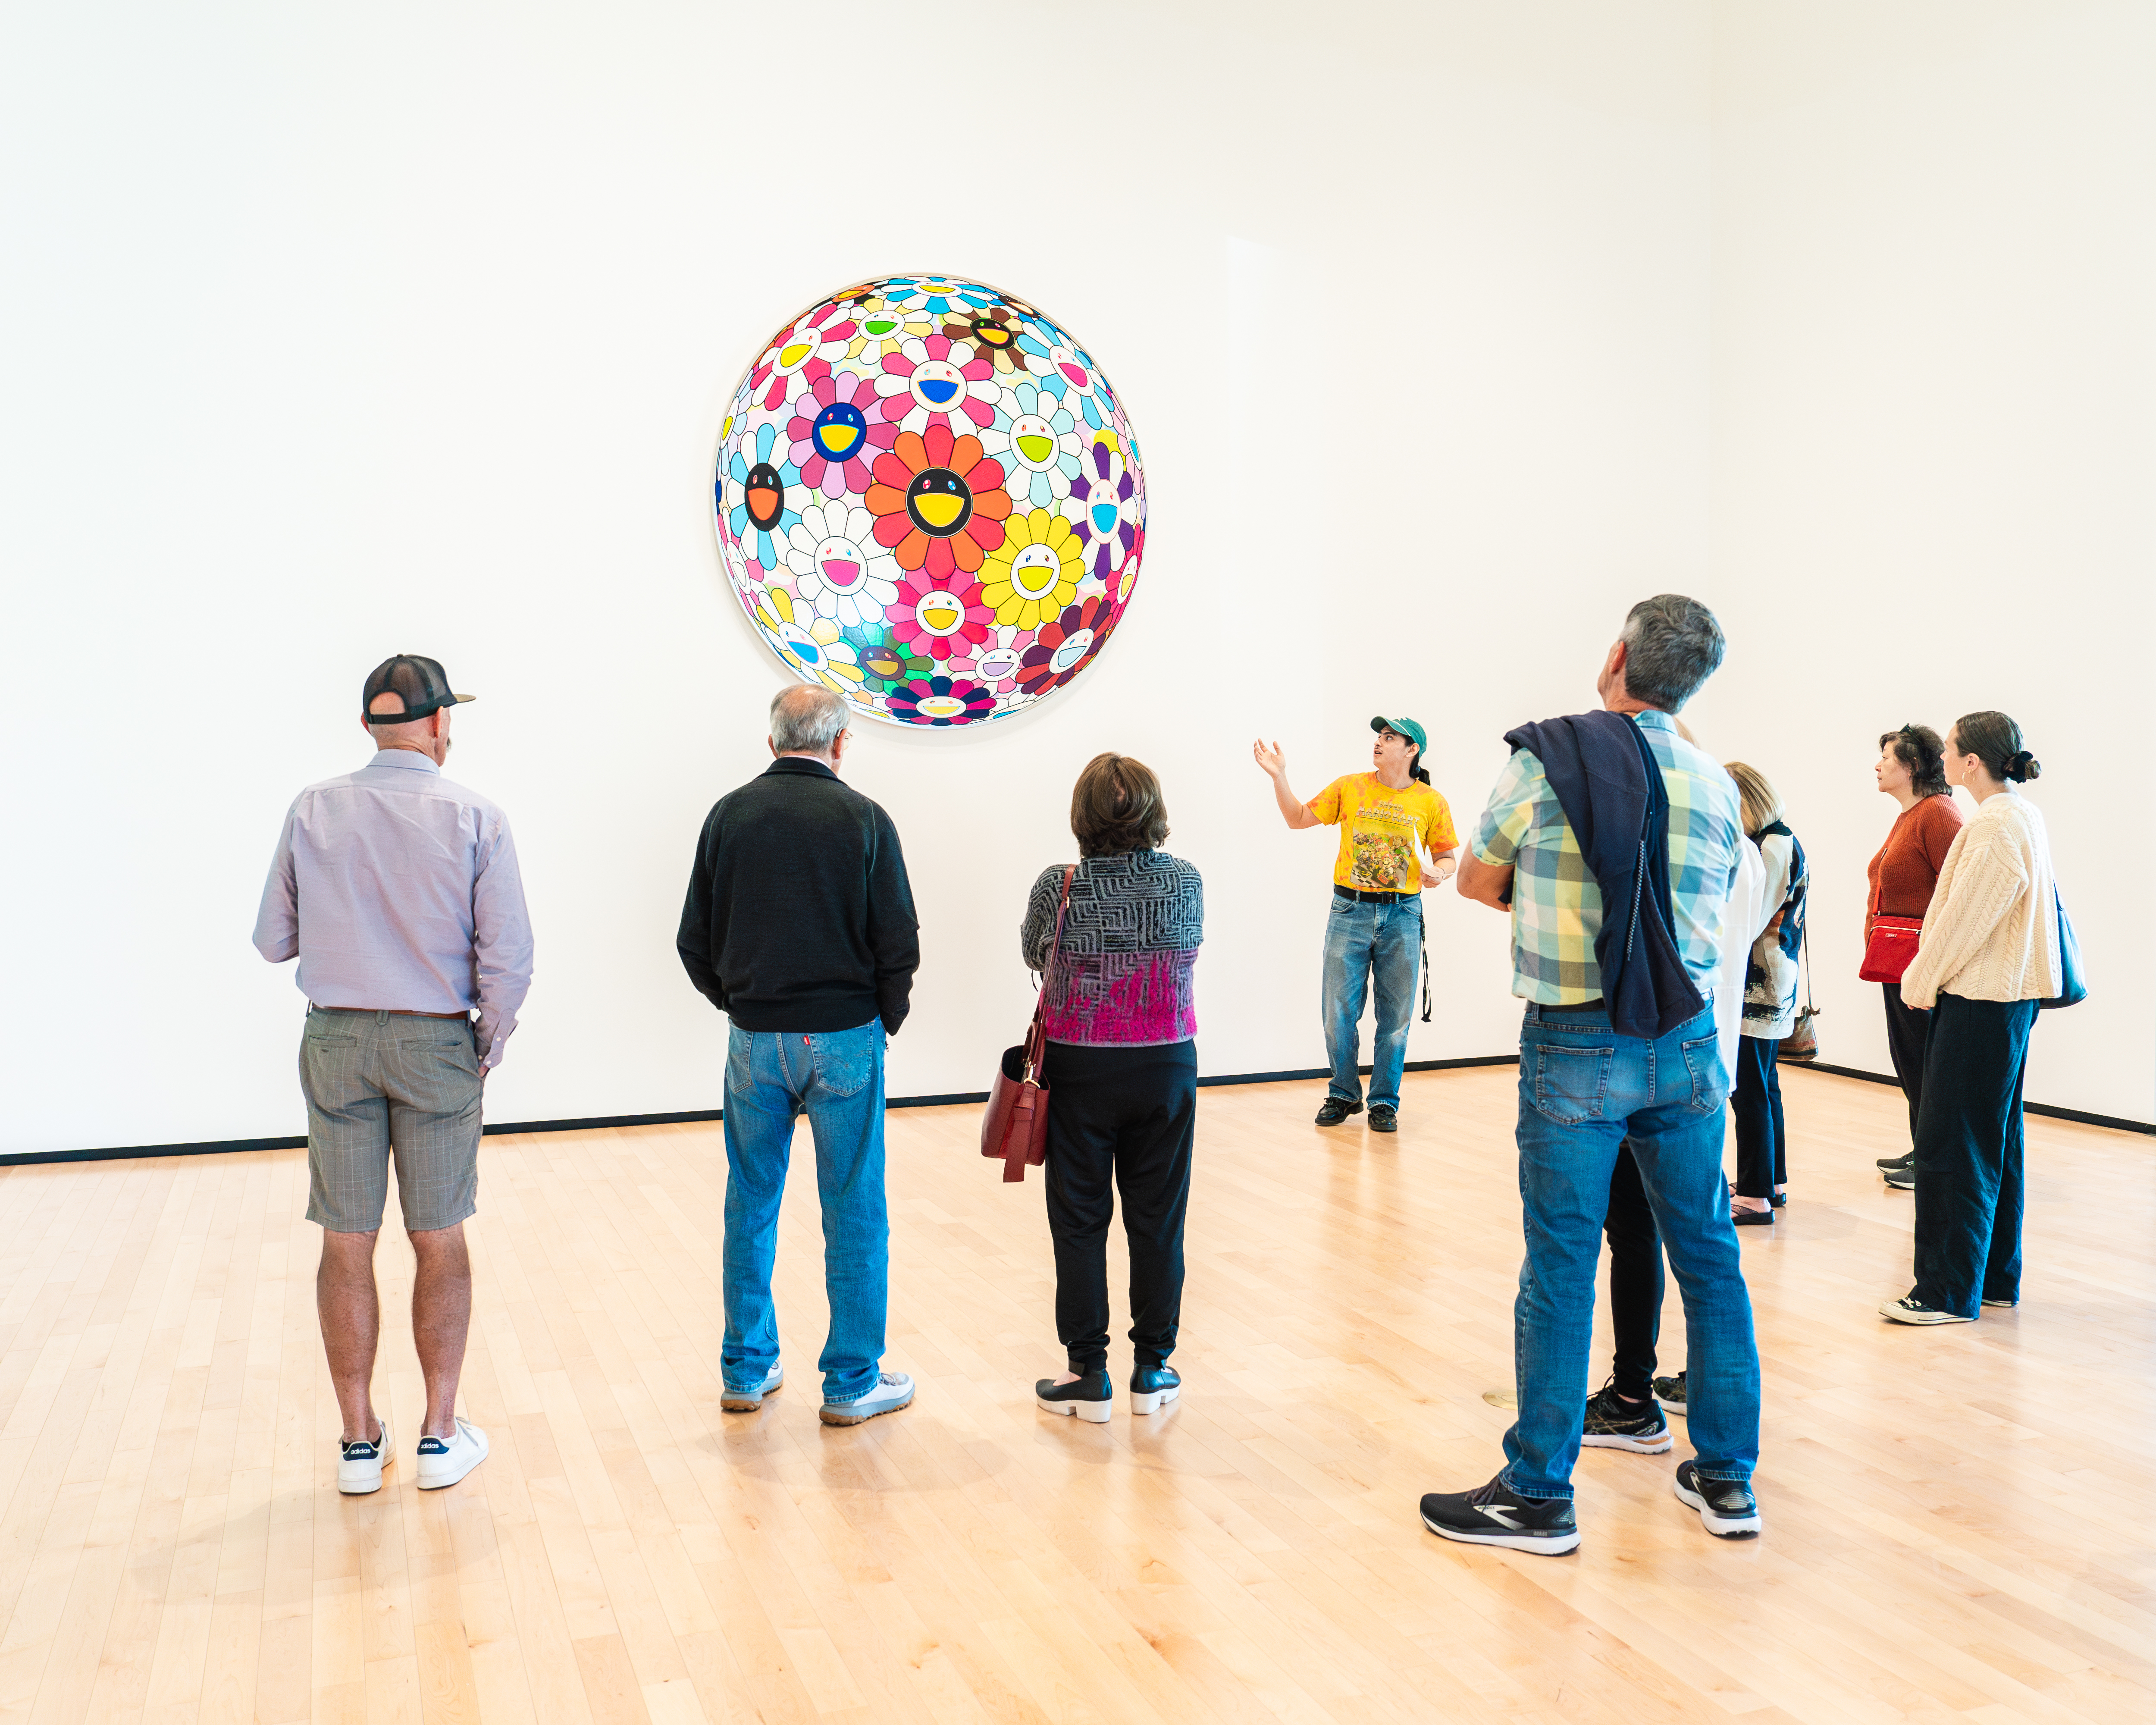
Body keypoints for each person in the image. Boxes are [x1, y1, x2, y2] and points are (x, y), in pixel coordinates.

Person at [1420, 595, 1762, 1553]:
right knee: (1708, 1253)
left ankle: (1537, 1491)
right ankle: (1728, 1478)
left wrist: (1563, 893)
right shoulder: (1716, 781)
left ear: (1615, 656)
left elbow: (1479, 880)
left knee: (1563, 1257)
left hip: (1576, 1037)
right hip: (1689, 1042)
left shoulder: (1547, 757)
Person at [253, 654, 532, 1496]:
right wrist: (486, 1042)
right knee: (438, 1236)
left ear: (368, 726)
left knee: (347, 1238)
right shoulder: (476, 815)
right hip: (435, 1040)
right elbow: (508, 959)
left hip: (335, 1039)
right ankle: (441, 1434)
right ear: (442, 725)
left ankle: (357, 1443)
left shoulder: (313, 807)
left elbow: (273, 939)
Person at [677, 684, 921, 1423]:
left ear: (773, 740)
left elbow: (694, 942)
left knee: (750, 1199)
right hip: (846, 1036)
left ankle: (746, 1371)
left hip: (756, 1039)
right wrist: (884, 1019)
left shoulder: (730, 817)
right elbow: (899, 942)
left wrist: (742, 1005)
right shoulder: (865, 820)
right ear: (841, 743)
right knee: (854, 1206)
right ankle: (851, 1381)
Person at [1580, 725, 1770, 1450]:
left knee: (1636, 1234)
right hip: (1703, 1058)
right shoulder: (1741, 853)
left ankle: (1633, 1395)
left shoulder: (1672, 839)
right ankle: (1708, 1434)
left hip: (1651, 1051)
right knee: (1701, 1245)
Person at [1025, 755, 1204, 1424]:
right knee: (1158, 1218)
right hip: (1165, 1065)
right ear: (1153, 812)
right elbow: (1188, 949)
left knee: (1079, 1220)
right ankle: (1153, 1368)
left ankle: (1087, 1372)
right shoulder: (1186, 880)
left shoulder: (1059, 884)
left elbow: (1034, 954)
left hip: (1080, 1067)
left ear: (1084, 816)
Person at [1882, 712, 2058, 1325]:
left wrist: (1921, 978)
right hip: (2004, 1002)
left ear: (1972, 763)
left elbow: (1966, 919)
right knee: (1993, 1141)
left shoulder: (1995, 824)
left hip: (1982, 999)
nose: (1946, 756)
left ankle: (1944, 1292)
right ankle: (1991, 1280)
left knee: (1950, 1144)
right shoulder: (2021, 817)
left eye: (1952, 749)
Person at [1252, 718, 1458, 1133]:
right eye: (1378, 737)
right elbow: (1298, 819)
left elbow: (1447, 857)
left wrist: (1440, 872)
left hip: (1403, 914)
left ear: (1412, 749)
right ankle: (1344, 1093)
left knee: (1395, 1018)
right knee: (1337, 1014)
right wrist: (1280, 776)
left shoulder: (1431, 801)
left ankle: (1384, 1101)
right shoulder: (1350, 787)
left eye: (1389, 738)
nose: (1379, 744)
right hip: (1350, 912)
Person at [1866, 725, 1964, 1186]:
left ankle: (1934, 1161)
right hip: (1897, 962)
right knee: (1909, 1060)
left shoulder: (1937, 814)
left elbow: (1961, 891)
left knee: (1925, 1063)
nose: (1877, 764)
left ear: (1911, 767)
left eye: (1886, 757)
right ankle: (1921, 1150)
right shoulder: (1908, 815)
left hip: (1922, 965)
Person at [1727, 763, 1807, 1224]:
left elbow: (1749, 921)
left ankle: (1755, 1195)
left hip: (1760, 981)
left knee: (1751, 1088)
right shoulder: (1780, 839)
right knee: (1765, 1084)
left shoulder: (1771, 847)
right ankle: (1769, 1182)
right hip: (1773, 977)